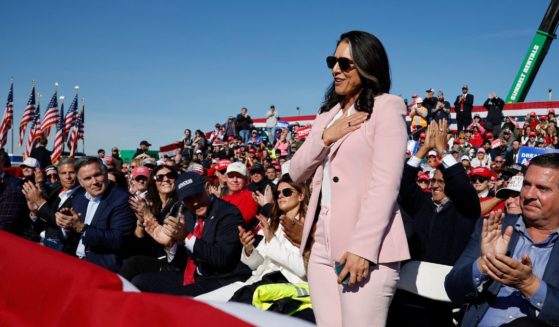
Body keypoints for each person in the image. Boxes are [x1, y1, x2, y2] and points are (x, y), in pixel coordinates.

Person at [289, 31, 409, 326]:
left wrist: (362, 249)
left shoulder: (387, 107)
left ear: (368, 66)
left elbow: (385, 185)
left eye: (345, 63)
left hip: (365, 249)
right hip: (321, 247)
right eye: (333, 61)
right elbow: (295, 171)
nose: (335, 70)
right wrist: (327, 137)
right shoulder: (326, 116)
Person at [445, 153, 559, 326]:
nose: (529, 194)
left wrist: (530, 285)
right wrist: (484, 265)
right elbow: (453, 289)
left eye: (542, 188)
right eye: (526, 185)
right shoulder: (493, 227)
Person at [390, 120, 481, 327]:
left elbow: (461, 183)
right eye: (433, 181)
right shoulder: (421, 203)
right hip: (410, 290)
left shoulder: (466, 209)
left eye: (441, 182)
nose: (434, 186)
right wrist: (423, 150)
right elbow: (402, 182)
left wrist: (442, 149)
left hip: (444, 297)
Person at [131, 172, 250, 296]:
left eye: (197, 195)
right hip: (192, 276)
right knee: (140, 282)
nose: (194, 203)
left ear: (208, 188)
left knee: (172, 299)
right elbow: (181, 264)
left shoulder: (228, 213)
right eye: (188, 199)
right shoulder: (188, 215)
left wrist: (186, 237)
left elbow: (222, 258)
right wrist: (170, 245)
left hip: (220, 278)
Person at [55, 157, 136, 272]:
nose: (94, 182)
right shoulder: (79, 198)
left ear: (106, 174)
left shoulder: (122, 199)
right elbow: (66, 237)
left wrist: (81, 228)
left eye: (97, 175)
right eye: (87, 178)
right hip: (74, 263)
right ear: (81, 183)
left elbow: (118, 239)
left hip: (103, 269)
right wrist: (66, 225)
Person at [120, 165, 181, 281]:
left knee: (134, 267)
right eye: (160, 177)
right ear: (154, 182)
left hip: (172, 262)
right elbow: (139, 245)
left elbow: (168, 239)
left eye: (170, 176)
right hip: (152, 256)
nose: (166, 179)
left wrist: (148, 215)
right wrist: (141, 222)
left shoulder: (180, 204)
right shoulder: (151, 204)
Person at [22, 158, 81, 251]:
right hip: (43, 242)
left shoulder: (82, 195)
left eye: (72, 172)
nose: (68, 176)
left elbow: (58, 220)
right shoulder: (56, 191)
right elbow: (46, 219)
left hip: (63, 249)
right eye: (63, 173)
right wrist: (35, 212)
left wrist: (39, 201)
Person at [222, 162, 258, 226]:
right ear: (226, 178)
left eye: (239, 176)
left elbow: (238, 221)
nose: (235, 180)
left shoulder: (250, 196)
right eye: (231, 176)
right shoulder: (224, 197)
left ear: (246, 179)